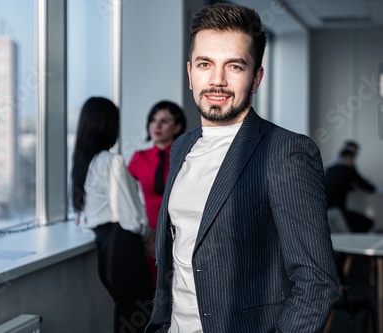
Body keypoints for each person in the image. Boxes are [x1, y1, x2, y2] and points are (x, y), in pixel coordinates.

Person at [146, 4, 339, 333]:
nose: (217, 80)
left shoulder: (286, 152)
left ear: (256, 77)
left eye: (234, 66)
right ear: (190, 73)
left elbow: (317, 282)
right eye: (205, 64)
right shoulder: (181, 147)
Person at [71, 97, 155, 332]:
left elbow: (88, 218)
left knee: (127, 315)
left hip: (106, 251)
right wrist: (149, 234)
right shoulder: (111, 162)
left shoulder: (85, 163)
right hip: (124, 249)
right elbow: (130, 215)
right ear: (107, 125)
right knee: (140, 315)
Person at [128, 100, 186, 284]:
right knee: (153, 291)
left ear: (177, 127)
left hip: (182, 235)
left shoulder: (186, 158)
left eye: (165, 121)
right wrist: (145, 234)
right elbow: (125, 198)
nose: (157, 125)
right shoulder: (139, 158)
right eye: (153, 120)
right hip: (150, 236)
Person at [325, 148, 376, 232]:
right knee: (367, 223)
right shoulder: (348, 170)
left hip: (325, 209)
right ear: (349, 158)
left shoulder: (330, 170)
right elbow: (369, 187)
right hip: (337, 211)